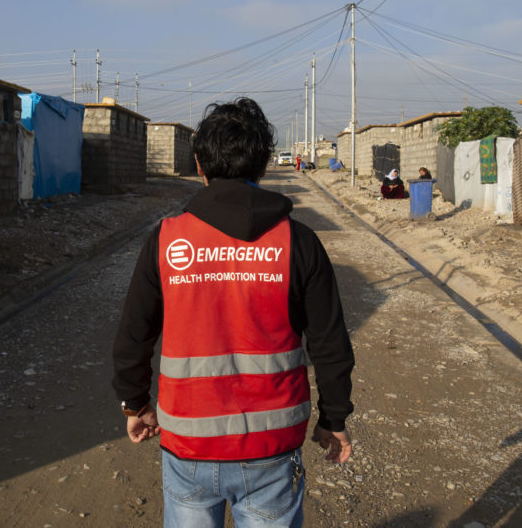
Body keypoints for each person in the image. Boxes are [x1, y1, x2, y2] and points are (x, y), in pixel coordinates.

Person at [113, 97, 355, 527]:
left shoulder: (167, 240)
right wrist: (332, 418)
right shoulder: (298, 242)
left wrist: (136, 403)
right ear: (261, 167)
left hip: (188, 442)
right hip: (271, 448)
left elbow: (135, 333)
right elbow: (329, 342)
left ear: (200, 166)